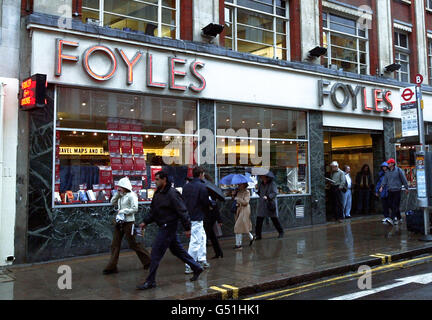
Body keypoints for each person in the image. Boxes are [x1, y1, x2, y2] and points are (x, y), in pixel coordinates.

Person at [136, 171, 203, 290]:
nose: (155, 182)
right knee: (177, 251)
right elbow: (154, 211)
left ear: (164, 180)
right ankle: (196, 267)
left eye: (157, 179)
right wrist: (145, 222)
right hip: (163, 226)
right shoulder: (158, 194)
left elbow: (182, 211)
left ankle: (150, 281)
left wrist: (187, 228)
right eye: (155, 179)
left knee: (155, 253)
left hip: (168, 227)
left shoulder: (172, 194)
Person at [103, 177, 151, 275]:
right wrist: (117, 194)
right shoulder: (120, 195)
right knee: (115, 244)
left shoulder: (132, 195)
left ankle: (149, 261)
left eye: (120, 187)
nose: (119, 188)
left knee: (133, 244)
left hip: (129, 222)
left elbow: (135, 208)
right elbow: (112, 202)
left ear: (125, 187)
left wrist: (123, 211)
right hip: (120, 222)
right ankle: (111, 267)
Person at [182, 166, 211, 274]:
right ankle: (190, 265)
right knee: (195, 242)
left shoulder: (186, 186)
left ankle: (202, 259)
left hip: (188, 216)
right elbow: (204, 202)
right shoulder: (202, 186)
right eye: (203, 174)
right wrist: (210, 205)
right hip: (197, 216)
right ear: (200, 174)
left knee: (202, 237)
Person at [379, 158, 409, 225]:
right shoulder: (387, 172)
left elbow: (403, 179)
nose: (388, 165)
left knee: (395, 205)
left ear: (392, 164)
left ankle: (392, 218)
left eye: (389, 163)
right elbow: (385, 180)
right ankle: (399, 218)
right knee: (391, 205)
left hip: (397, 190)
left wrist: (406, 188)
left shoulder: (398, 170)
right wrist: (382, 187)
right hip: (390, 190)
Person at [256, 174, 284, 239]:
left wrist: (268, 196)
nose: (260, 177)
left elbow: (275, 193)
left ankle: (281, 232)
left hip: (270, 204)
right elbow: (260, 192)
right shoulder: (261, 184)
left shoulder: (272, 184)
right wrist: (257, 192)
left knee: (274, 219)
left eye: (262, 176)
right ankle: (258, 235)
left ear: (266, 177)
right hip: (262, 204)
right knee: (259, 220)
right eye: (260, 176)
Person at [203, 173, 224, 259]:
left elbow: (214, 206)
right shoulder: (209, 188)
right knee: (211, 234)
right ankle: (219, 252)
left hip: (210, 215)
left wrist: (219, 220)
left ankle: (218, 252)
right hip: (210, 215)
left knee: (208, 234)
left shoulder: (209, 190)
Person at [233, 183, 254, 249]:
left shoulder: (247, 192)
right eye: (238, 184)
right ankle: (251, 237)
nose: (238, 185)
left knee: (238, 226)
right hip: (238, 210)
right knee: (243, 226)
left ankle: (238, 244)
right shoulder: (237, 191)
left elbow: (246, 202)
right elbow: (234, 199)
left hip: (245, 210)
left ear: (244, 185)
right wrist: (233, 195)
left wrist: (238, 199)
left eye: (240, 184)